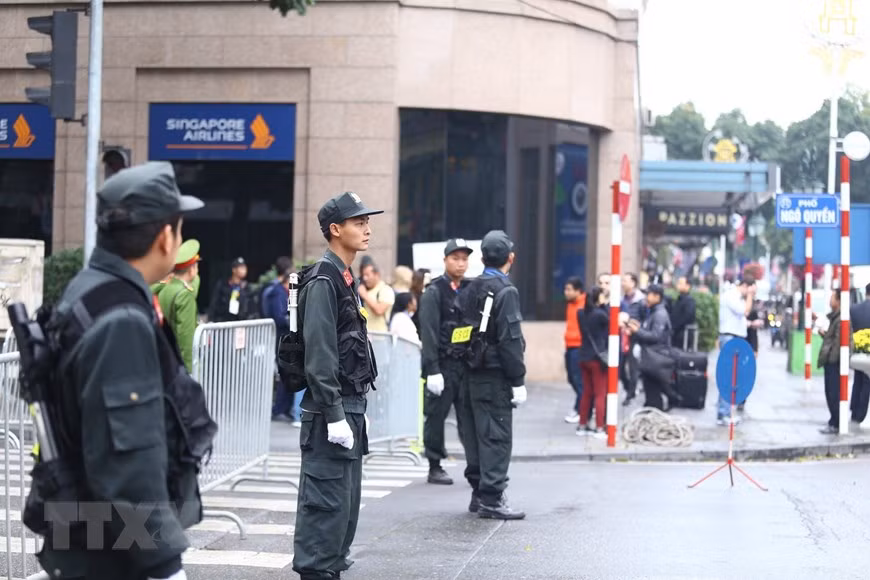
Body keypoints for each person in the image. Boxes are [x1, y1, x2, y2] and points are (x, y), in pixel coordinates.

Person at [38, 161, 216, 580]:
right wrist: (164, 565)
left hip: (93, 534)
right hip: (112, 552)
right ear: (164, 236)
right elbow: (127, 465)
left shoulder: (93, 289)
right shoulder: (122, 318)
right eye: (180, 228)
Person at [292, 191, 382, 580]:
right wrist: (333, 413)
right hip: (332, 411)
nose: (366, 228)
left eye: (366, 221)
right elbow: (320, 356)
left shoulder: (344, 278)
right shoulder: (324, 280)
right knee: (324, 519)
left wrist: (356, 411)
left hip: (349, 408)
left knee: (342, 518)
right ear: (335, 229)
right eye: (357, 222)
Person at [455, 230, 526, 520]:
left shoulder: (468, 288)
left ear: (482, 258)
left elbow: (458, 333)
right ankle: (492, 498)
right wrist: (518, 379)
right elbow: (510, 341)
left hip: (468, 372)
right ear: (511, 258)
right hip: (494, 377)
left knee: (473, 435)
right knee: (496, 435)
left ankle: (479, 493)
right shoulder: (506, 291)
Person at [418, 239, 473, 485]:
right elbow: (428, 332)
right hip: (443, 364)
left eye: (464, 259)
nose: (460, 264)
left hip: (466, 364)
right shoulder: (434, 291)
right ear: (445, 261)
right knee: (436, 416)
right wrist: (432, 370)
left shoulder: (471, 289)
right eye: (455, 258)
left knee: (468, 416)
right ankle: (434, 464)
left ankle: (475, 463)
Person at [267, 257, 305, 426]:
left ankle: (285, 408)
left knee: (289, 371)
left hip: (288, 337)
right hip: (282, 336)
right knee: (285, 372)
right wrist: (295, 320)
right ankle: (279, 409)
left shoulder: (286, 291)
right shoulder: (277, 291)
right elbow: (279, 316)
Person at [154, 238, 201, 371]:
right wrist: (190, 370)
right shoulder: (185, 295)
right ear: (191, 269)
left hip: (166, 357)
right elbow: (186, 338)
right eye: (196, 266)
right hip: (179, 364)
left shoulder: (165, 288)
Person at [626, 284, 672, 411]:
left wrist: (637, 331)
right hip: (650, 358)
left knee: (653, 393)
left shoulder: (660, 314)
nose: (646, 297)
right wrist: (639, 328)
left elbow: (655, 336)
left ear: (657, 297)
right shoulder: (654, 311)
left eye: (649, 294)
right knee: (650, 392)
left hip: (655, 358)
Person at [717, 276, 755, 425]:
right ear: (745, 285)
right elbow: (745, 311)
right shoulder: (732, 295)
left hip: (733, 338)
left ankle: (723, 412)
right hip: (730, 339)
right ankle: (724, 413)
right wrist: (750, 296)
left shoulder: (735, 296)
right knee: (729, 377)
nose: (750, 294)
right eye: (751, 290)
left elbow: (740, 319)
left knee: (730, 376)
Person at [576, 286, 609, 438]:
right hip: (597, 358)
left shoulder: (580, 313)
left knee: (586, 393)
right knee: (600, 394)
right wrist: (605, 305)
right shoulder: (600, 314)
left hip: (583, 356)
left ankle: (582, 425)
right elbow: (611, 322)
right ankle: (600, 427)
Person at [818, 290, 851, 434]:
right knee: (830, 392)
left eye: (832, 298)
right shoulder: (835, 318)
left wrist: (831, 360)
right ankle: (834, 421)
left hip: (834, 362)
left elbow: (839, 342)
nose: (830, 300)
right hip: (832, 361)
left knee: (833, 393)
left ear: (839, 300)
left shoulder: (842, 319)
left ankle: (836, 423)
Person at [562, 277, 586, 423]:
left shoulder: (585, 304)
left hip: (579, 346)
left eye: (569, 289)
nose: (566, 292)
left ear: (578, 290)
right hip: (569, 345)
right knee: (572, 378)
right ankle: (585, 406)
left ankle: (581, 410)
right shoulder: (570, 304)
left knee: (578, 380)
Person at [620, 273, 645, 405]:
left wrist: (635, 327)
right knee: (619, 368)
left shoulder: (641, 301)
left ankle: (630, 395)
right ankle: (629, 387)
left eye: (625, 280)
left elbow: (645, 320)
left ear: (633, 283)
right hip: (621, 337)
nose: (622, 283)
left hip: (635, 338)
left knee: (633, 367)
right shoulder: (620, 300)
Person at [208, 257, 252, 322]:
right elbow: (214, 303)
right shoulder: (223, 285)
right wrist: (211, 319)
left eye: (245, 267)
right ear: (234, 270)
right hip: (223, 321)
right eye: (241, 267)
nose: (244, 270)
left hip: (239, 322)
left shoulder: (246, 287)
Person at [850, 283, 870, 424]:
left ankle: (854, 409)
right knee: (867, 382)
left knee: (858, 380)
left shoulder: (854, 309)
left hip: (858, 350)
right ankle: (861, 413)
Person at [359, 260, 396, 333]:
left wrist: (364, 295)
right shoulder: (368, 291)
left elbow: (379, 310)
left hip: (380, 336)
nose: (365, 278)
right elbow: (367, 314)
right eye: (363, 275)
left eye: (367, 275)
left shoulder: (385, 290)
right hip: (367, 334)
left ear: (377, 274)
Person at [670, 276, 697, 349]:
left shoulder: (689, 301)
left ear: (688, 286)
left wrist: (674, 326)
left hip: (683, 335)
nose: (678, 285)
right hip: (675, 334)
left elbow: (688, 317)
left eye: (680, 283)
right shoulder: (679, 299)